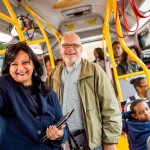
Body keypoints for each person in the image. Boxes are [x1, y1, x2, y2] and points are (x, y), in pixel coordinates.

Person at [49, 33, 122, 150]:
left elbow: (110, 106)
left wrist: (109, 141)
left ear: (81, 49)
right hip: (64, 140)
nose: (70, 49)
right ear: (60, 49)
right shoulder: (54, 74)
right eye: (66, 45)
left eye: (75, 45)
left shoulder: (94, 71)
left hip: (92, 139)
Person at [0, 42, 69, 150]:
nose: (20, 69)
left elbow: (65, 129)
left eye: (25, 63)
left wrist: (59, 134)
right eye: (14, 64)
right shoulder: (4, 85)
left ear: (34, 65)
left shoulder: (49, 93)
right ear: (9, 67)